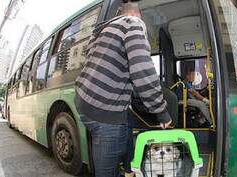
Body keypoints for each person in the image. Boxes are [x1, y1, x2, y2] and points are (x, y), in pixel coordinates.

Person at [74, 1, 172, 177]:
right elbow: (142, 69)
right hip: (104, 113)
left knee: (126, 122)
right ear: (137, 15)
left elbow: (104, 65)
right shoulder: (133, 23)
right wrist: (161, 112)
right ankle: (124, 170)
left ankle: (129, 169)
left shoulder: (103, 30)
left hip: (83, 102)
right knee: (107, 171)